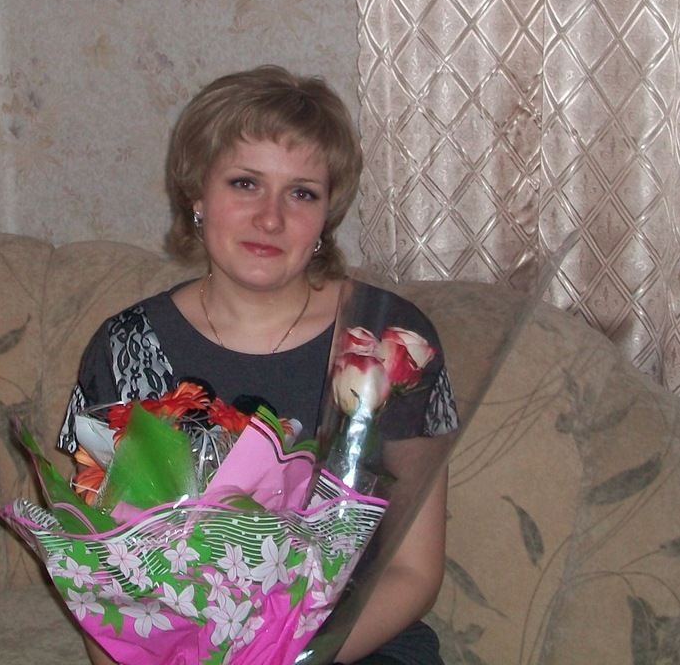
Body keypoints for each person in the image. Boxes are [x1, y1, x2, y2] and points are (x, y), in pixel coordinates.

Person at [59, 65, 458, 665]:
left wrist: (284, 657)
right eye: (245, 183)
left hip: (353, 646)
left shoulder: (386, 343)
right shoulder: (127, 347)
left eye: (302, 193)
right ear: (198, 197)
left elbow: (413, 571)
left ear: (326, 216)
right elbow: (102, 573)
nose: (271, 218)